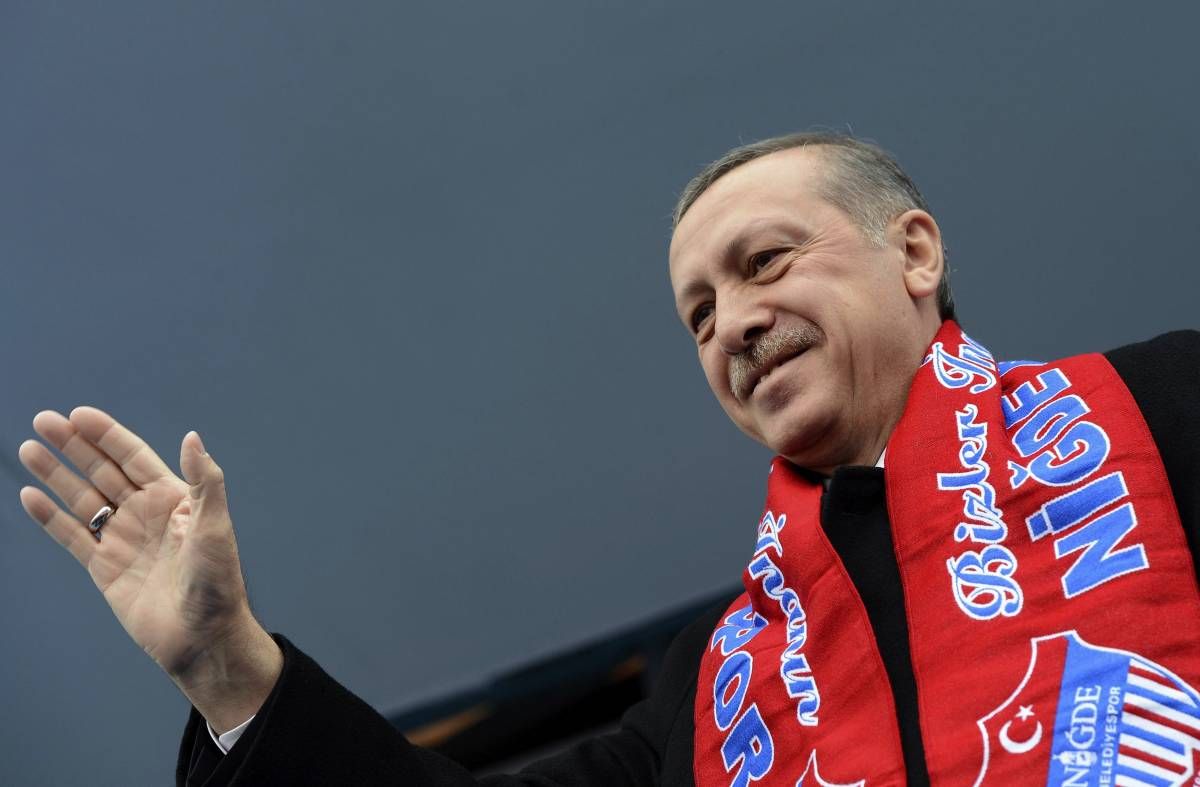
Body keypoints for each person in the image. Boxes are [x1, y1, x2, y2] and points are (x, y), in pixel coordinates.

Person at [19, 132, 1200, 786]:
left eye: (766, 262)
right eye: (698, 314)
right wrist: (229, 667)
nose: (734, 323)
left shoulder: (1165, 407)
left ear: (917, 253)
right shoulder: (713, 689)